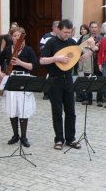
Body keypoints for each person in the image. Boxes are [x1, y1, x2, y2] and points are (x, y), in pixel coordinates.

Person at [40, 19, 96, 150]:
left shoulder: (72, 42)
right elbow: (42, 60)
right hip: (54, 80)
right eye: (65, 32)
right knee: (57, 111)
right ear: (59, 29)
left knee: (71, 111)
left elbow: (81, 58)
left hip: (68, 80)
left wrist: (92, 50)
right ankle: (59, 139)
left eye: (69, 32)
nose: (67, 35)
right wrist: (56, 58)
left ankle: (70, 138)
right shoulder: (51, 42)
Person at [0, 27, 38, 147]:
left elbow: (34, 66)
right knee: (12, 108)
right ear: (11, 37)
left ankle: (24, 137)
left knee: (23, 110)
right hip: (11, 80)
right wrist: (0, 73)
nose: (17, 38)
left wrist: (20, 63)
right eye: (15, 36)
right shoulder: (8, 50)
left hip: (24, 79)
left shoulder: (28, 50)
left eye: (19, 35)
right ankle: (15, 135)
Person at [39, 20, 59, 100]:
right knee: (47, 77)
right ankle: (46, 93)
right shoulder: (46, 36)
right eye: (58, 27)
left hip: (58, 61)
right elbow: (41, 46)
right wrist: (50, 48)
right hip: (48, 59)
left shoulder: (60, 37)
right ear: (54, 27)